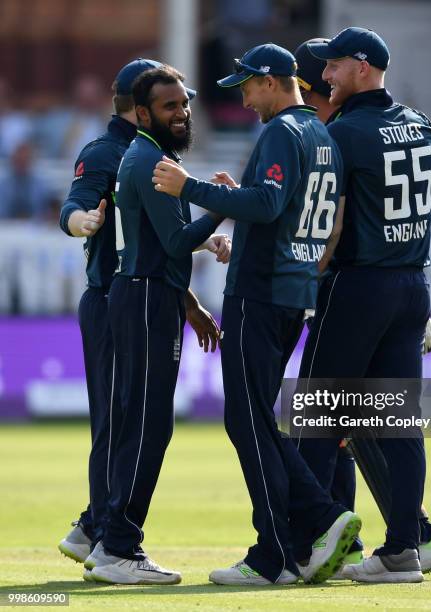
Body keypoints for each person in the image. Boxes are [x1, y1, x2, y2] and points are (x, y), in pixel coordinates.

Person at [152, 43, 361, 586]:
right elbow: (304, 213)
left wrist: (191, 188)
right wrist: (238, 197)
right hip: (294, 291)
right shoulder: (323, 135)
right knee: (256, 418)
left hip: (259, 292)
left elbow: (267, 206)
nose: (243, 98)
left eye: (245, 85)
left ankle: (288, 545)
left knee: (247, 420)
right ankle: (293, 542)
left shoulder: (282, 132)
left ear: (270, 81)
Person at [58, 59, 223, 578]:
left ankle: (96, 528)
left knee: (128, 419)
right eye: (171, 103)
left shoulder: (152, 154)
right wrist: (82, 222)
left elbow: (160, 244)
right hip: (113, 298)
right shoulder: (111, 153)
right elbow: (76, 205)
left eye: (183, 103)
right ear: (139, 106)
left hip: (137, 293)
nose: (184, 111)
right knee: (122, 420)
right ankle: (108, 536)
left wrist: (188, 301)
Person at [292, 39, 431, 580]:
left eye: (334, 65)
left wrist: (304, 276)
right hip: (412, 285)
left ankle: (307, 545)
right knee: (397, 423)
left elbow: (330, 225)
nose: (326, 74)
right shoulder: (419, 123)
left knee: (316, 416)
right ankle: (405, 548)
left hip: (357, 285)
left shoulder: (343, 132)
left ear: (361, 68)